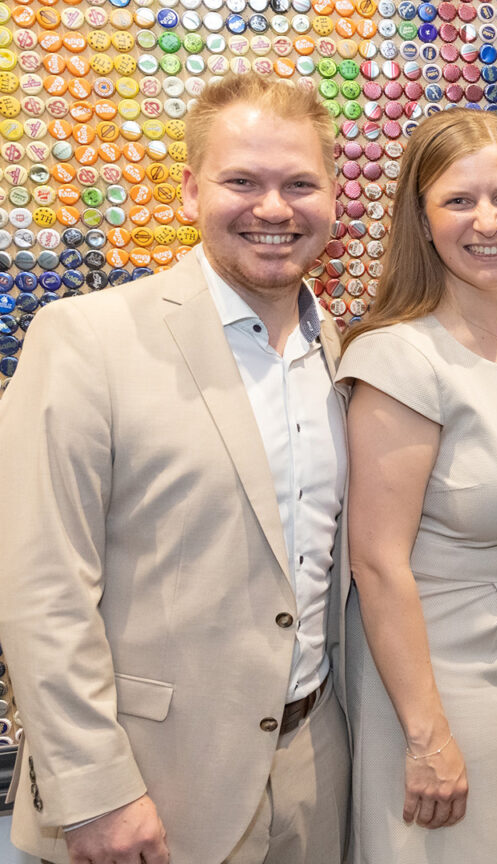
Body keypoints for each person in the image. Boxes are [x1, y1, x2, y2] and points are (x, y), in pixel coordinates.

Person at [0, 72, 349, 864]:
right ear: (192, 191)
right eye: (242, 182)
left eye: (299, 184)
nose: (273, 208)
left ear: (333, 197)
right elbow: (39, 587)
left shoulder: (340, 351)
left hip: (315, 776)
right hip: (150, 792)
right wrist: (95, 792)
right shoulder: (85, 340)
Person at [338, 107, 497, 863]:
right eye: (458, 200)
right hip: (440, 680)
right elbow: (377, 562)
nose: (488, 221)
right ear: (422, 219)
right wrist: (427, 735)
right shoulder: (398, 359)